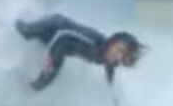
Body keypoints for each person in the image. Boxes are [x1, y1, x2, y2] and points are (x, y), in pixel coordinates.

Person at [14, 13, 145, 92]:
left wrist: (111, 90)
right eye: (120, 49)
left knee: (45, 79)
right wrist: (49, 59)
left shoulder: (110, 59)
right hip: (55, 26)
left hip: (61, 40)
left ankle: (26, 89)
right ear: (113, 41)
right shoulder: (93, 44)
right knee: (26, 33)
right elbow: (64, 37)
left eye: (123, 56)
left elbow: (109, 68)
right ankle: (11, 19)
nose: (118, 56)